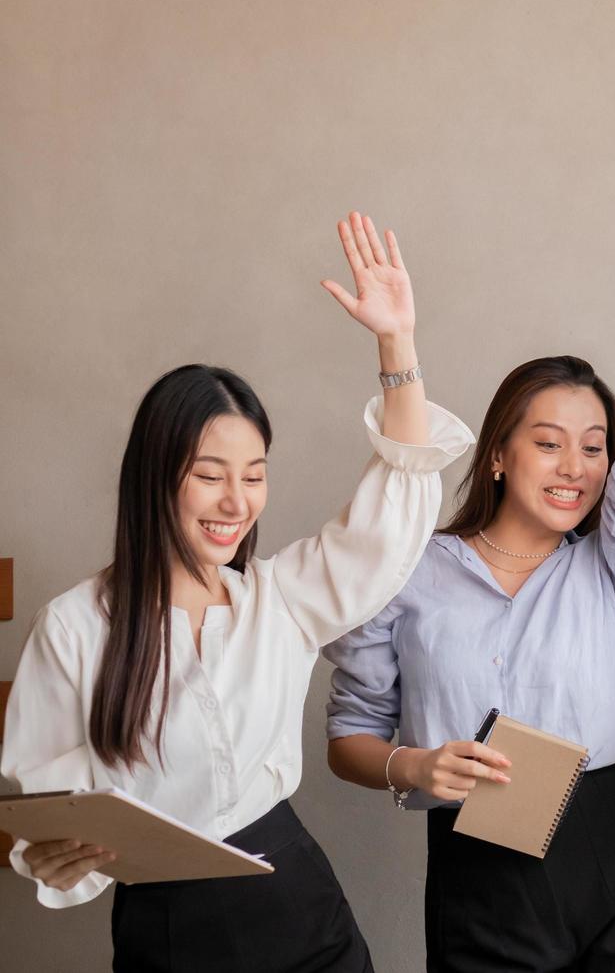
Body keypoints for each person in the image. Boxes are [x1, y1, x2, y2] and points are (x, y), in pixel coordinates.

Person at [1, 212, 473, 970]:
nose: (236, 502)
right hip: (168, 927)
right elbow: (50, 809)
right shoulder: (75, 627)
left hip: (299, 906)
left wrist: (397, 344)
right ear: (156, 476)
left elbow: (394, 513)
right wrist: (57, 856)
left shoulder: (278, 599)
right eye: (210, 475)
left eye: (253, 477)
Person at [323, 206, 615, 972]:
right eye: (548, 443)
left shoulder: (614, 569)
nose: (575, 467)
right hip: (480, 869)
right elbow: (349, 738)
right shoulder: (410, 569)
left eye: (594, 448)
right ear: (498, 454)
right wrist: (416, 768)